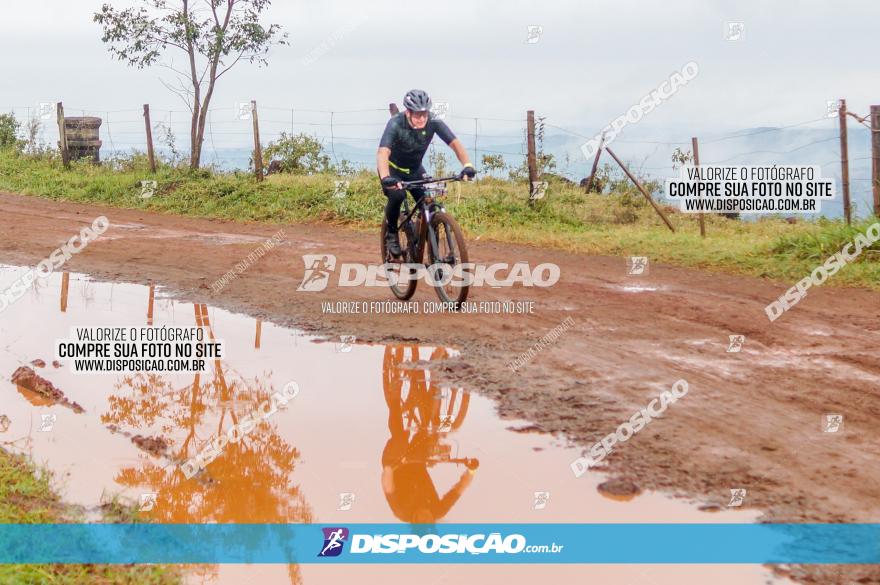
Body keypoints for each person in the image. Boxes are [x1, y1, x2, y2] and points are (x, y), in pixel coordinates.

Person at [377, 89, 476, 256]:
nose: (422, 118)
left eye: (424, 113)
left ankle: (432, 254)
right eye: (417, 114)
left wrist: (467, 165)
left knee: (429, 203)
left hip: (415, 169)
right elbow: (383, 153)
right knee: (397, 195)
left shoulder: (433, 121)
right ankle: (392, 233)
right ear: (408, 112)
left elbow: (455, 143)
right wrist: (386, 177)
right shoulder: (395, 123)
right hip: (392, 169)